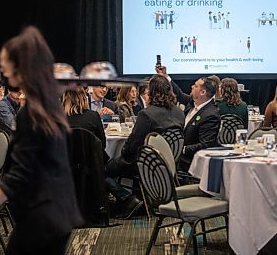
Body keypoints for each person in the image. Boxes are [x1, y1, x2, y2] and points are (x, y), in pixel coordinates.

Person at [0, 26, 82, 254]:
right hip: (58, 213)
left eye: (4, 63)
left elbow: (21, 172)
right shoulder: (49, 106)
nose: (2, 70)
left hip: (40, 215)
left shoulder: (31, 114)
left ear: (20, 67)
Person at [106, 75, 185, 215]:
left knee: (99, 169)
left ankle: (128, 199)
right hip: (171, 163)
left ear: (151, 92)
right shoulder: (179, 113)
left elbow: (131, 147)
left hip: (146, 164)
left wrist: (122, 153)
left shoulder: (147, 114)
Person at [62, 87, 107, 162]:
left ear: (65, 99)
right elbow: (102, 144)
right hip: (90, 165)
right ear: (84, 98)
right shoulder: (93, 116)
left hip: (64, 165)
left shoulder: (58, 118)